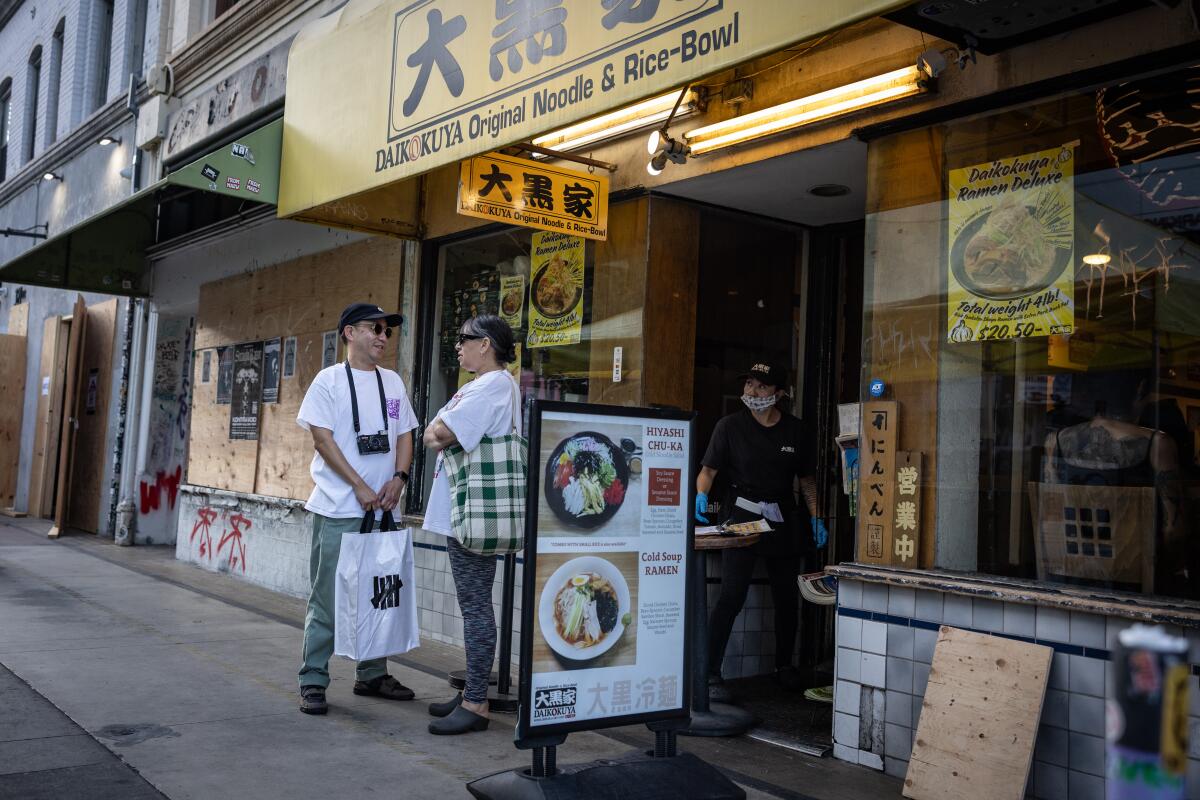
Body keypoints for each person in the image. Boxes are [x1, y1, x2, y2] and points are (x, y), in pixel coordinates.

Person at [295, 302, 419, 715]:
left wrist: (399, 479)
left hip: (384, 509)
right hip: (338, 507)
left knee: (377, 595)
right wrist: (359, 485)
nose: (383, 336)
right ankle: (313, 677)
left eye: (387, 330)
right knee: (328, 596)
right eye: (375, 328)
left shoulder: (394, 384)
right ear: (350, 333)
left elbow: (405, 435)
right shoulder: (328, 381)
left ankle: (372, 673)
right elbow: (322, 440)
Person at [695, 359, 826, 694]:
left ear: (778, 393)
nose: (752, 391)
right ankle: (709, 671)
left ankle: (784, 665)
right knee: (731, 595)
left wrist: (815, 516)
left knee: (786, 598)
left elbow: (807, 479)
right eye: (749, 384)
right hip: (741, 514)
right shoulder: (729, 426)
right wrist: (700, 496)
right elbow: (708, 471)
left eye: (761, 386)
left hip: (782, 514)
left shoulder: (795, 431)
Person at [421, 314, 522, 735]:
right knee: (473, 605)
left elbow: (436, 435)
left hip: (472, 515)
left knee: (477, 606)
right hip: (464, 512)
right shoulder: (486, 386)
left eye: (464, 340)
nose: (458, 347)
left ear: (487, 344)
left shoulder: (492, 385)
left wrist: (441, 424)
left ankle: (477, 701)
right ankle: (471, 693)